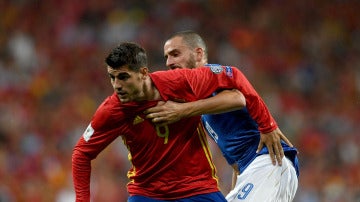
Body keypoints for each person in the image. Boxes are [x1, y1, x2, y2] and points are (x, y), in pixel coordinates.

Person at [72, 42, 269, 202]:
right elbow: (81, 154)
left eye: (124, 77)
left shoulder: (180, 82)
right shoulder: (112, 110)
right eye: (112, 78)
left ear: (143, 73)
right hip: (147, 194)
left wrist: (267, 126)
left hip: (197, 188)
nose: (117, 86)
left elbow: (233, 76)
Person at [144, 30, 299, 201]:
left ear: (198, 53)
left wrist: (181, 110)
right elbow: (236, 166)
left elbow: (238, 98)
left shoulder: (209, 75)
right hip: (251, 171)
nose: (169, 62)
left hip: (269, 163)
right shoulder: (202, 108)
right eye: (166, 57)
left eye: (175, 54)